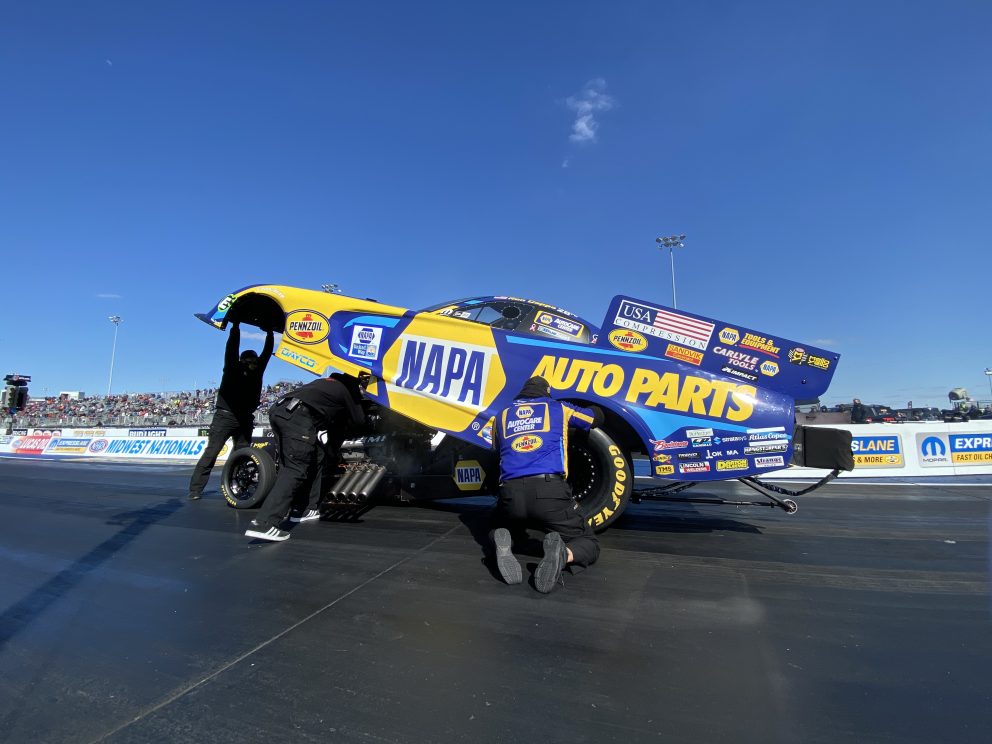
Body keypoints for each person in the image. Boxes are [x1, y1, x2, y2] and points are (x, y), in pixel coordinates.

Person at [490, 375, 603, 593]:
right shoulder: (558, 408)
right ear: (547, 392)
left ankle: (501, 544)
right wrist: (598, 407)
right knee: (588, 542)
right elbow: (592, 418)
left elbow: (496, 448)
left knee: (497, 526)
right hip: (549, 491)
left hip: (510, 493)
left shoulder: (501, 415)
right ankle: (564, 554)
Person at [245, 373, 365, 542]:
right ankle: (264, 523)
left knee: (317, 455)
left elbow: (332, 427)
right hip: (300, 417)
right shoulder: (347, 388)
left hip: (281, 410)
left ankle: (303, 509)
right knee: (295, 469)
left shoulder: (324, 383)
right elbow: (359, 421)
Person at [187, 321, 273, 500]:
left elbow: (266, 354)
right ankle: (195, 490)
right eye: (251, 361)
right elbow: (232, 347)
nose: (255, 363)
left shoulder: (258, 370)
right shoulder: (232, 367)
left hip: (245, 419)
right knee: (212, 452)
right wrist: (235, 326)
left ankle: (236, 487)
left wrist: (270, 332)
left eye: (256, 361)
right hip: (225, 417)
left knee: (241, 454)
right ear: (243, 360)